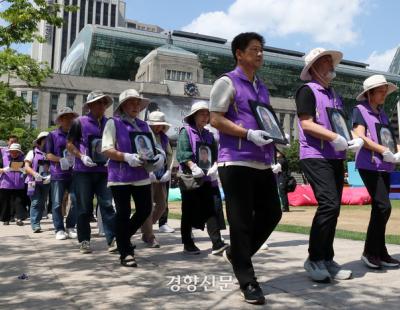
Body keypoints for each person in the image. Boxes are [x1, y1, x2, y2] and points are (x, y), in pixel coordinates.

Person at [209, 32, 282, 305]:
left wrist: (276, 142)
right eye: (254, 49)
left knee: (272, 213)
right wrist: (247, 134)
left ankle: (238, 254)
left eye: (262, 50)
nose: (260, 54)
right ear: (239, 53)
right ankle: (248, 280)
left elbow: (267, 121)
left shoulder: (261, 87)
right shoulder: (227, 81)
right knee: (239, 222)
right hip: (236, 160)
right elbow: (215, 119)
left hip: (262, 161)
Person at [295, 47, 364, 283]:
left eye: (330, 60)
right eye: (325, 61)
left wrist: (349, 139)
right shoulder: (307, 91)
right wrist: (335, 138)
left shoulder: (334, 94)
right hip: (314, 154)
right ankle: (314, 259)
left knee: (334, 209)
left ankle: (326, 259)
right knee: (329, 204)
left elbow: (339, 124)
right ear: (313, 67)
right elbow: (306, 124)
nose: (330, 64)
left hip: (335, 157)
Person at [102, 89, 165, 267]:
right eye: (132, 102)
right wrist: (127, 157)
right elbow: (106, 149)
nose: (136, 106)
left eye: (138, 103)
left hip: (141, 175)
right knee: (123, 212)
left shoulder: (144, 126)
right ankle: (125, 252)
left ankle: (121, 237)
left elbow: (155, 148)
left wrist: (159, 157)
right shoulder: (113, 123)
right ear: (123, 105)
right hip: (120, 176)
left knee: (145, 210)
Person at [352, 74, 400, 269]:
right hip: (368, 164)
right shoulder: (359, 110)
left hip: (385, 165)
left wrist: (396, 152)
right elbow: (360, 136)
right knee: (383, 206)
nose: (384, 94)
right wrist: (384, 151)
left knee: (380, 210)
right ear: (369, 93)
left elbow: (389, 138)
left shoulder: (383, 114)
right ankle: (369, 252)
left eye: (385, 91)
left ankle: (380, 251)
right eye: (380, 91)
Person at [67, 90, 116, 254]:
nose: (102, 106)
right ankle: (84, 240)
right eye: (98, 102)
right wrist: (81, 156)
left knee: (107, 205)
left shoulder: (110, 123)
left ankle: (112, 239)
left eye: (104, 103)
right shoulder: (79, 122)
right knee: (83, 207)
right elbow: (69, 144)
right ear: (90, 105)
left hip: (104, 170)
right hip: (83, 171)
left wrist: (112, 156)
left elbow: (115, 143)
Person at [177, 100, 229, 256]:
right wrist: (193, 166)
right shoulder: (185, 131)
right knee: (188, 211)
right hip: (190, 178)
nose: (205, 117)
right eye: (202, 113)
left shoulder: (209, 134)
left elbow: (215, 153)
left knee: (212, 209)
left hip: (207, 179)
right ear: (194, 116)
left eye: (207, 114)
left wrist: (214, 166)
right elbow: (183, 153)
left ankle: (217, 243)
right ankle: (188, 243)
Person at [141, 111, 173, 247]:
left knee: (161, 205)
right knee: (148, 206)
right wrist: (147, 172)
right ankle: (149, 235)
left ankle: (145, 227)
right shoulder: (144, 137)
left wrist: (169, 171)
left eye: (161, 125)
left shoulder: (164, 138)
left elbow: (170, 155)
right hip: (147, 176)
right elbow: (141, 154)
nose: (159, 128)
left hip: (161, 177)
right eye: (157, 125)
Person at [46, 107, 79, 240]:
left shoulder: (76, 135)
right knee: (57, 202)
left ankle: (71, 226)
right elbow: (48, 155)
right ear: (60, 120)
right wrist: (61, 160)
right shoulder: (52, 135)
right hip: (58, 173)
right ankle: (59, 229)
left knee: (77, 200)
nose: (69, 120)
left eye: (71, 117)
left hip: (75, 172)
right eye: (66, 117)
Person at [25, 132, 51, 232]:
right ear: (39, 142)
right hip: (33, 181)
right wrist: (35, 174)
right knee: (35, 202)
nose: (46, 143)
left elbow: (54, 166)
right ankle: (35, 224)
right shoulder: (32, 153)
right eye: (44, 141)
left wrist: (51, 176)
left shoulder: (50, 154)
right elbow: (26, 166)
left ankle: (37, 221)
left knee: (42, 203)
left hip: (46, 182)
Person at [0, 143, 26, 225]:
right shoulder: (3, 158)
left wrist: (23, 170)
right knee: (6, 202)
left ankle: (19, 218)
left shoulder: (23, 159)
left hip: (19, 184)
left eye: (16, 152)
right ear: (9, 151)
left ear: (19, 152)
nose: (14, 154)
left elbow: (27, 169)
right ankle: (6, 219)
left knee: (19, 202)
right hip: (6, 184)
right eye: (12, 152)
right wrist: (4, 170)